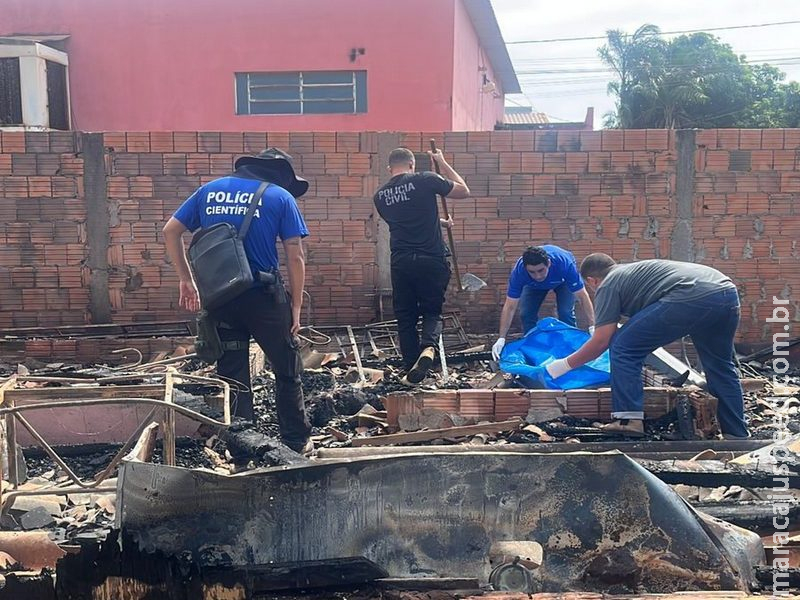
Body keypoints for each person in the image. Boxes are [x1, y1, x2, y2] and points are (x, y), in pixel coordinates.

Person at [162, 148, 312, 453]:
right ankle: (295, 443)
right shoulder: (280, 197)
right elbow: (295, 255)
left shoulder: (208, 191)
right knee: (286, 368)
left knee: (232, 372)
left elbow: (171, 231)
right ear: (281, 175)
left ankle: (242, 448)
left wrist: (186, 279)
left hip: (221, 298)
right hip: (264, 299)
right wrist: (296, 306)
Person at [543, 253, 749, 438]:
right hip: (726, 293)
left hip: (690, 295)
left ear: (592, 280)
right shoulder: (634, 274)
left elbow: (601, 341)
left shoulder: (608, 284)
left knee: (622, 346)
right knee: (720, 367)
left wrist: (562, 366)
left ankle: (628, 420)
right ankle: (737, 433)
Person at [373, 147, 470, 384]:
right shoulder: (425, 179)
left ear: (389, 169)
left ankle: (410, 368)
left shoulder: (380, 196)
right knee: (431, 310)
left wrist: (440, 222)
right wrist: (442, 161)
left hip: (402, 261)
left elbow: (406, 219)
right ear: (412, 164)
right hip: (431, 259)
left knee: (405, 317)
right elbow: (463, 191)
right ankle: (428, 348)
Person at [492, 245, 595, 361]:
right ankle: (533, 351)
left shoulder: (564, 263)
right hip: (534, 286)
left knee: (565, 312)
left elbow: (582, 296)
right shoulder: (519, 272)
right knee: (526, 314)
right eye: (532, 272)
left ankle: (570, 350)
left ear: (549, 263)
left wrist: (592, 326)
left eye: (541, 270)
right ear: (526, 269)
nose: (538, 276)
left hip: (562, 282)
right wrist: (501, 338)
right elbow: (510, 306)